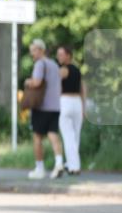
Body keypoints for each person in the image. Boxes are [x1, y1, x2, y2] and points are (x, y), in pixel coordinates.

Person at [25, 39, 65, 179]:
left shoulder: (40, 64)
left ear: (41, 50)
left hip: (42, 106)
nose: (32, 54)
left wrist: (28, 81)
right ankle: (59, 163)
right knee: (53, 134)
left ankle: (39, 168)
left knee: (37, 136)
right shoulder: (54, 65)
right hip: (55, 106)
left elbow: (37, 82)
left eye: (34, 51)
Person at [56, 45, 85, 176]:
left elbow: (55, 86)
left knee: (68, 137)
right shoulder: (78, 70)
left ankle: (74, 167)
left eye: (61, 54)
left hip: (65, 101)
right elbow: (83, 89)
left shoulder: (62, 70)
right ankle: (71, 164)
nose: (59, 57)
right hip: (77, 102)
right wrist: (83, 106)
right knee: (75, 137)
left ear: (68, 55)